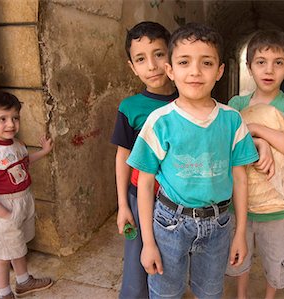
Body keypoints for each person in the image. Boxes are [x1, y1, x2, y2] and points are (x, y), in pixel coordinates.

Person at [127, 22, 259, 299]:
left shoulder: (232, 121)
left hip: (219, 224)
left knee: (210, 292)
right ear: (171, 71)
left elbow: (240, 177)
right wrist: (147, 242)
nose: (195, 71)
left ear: (220, 71)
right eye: (185, 62)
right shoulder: (159, 122)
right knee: (165, 292)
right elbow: (146, 184)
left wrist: (241, 233)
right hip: (169, 223)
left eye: (206, 62)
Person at [225, 29, 284, 299]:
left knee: (276, 260)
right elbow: (228, 146)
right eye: (261, 62)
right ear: (249, 66)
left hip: (277, 206)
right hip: (238, 202)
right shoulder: (237, 104)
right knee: (239, 256)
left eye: (278, 63)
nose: (269, 69)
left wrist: (257, 129)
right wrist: (259, 143)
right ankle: (241, 295)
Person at [111, 21, 177, 298]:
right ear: (132, 66)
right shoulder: (131, 108)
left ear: (172, 56)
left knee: (172, 259)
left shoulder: (188, 101)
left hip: (178, 201)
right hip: (140, 198)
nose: (151, 65)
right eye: (141, 58)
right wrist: (123, 204)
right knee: (138, 257)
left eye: (159, 54)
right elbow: (123, 156)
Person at [0, 91, 53, 299]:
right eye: (2, 119)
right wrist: (5, 214)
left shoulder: (16, 144)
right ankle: (4, 293)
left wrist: (43, 152)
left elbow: (24, 162)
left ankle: (24, 281)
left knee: (18, 247)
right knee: (3, 255)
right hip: (3, 208)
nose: (11, 124)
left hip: (23, 201)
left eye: (15, 118)